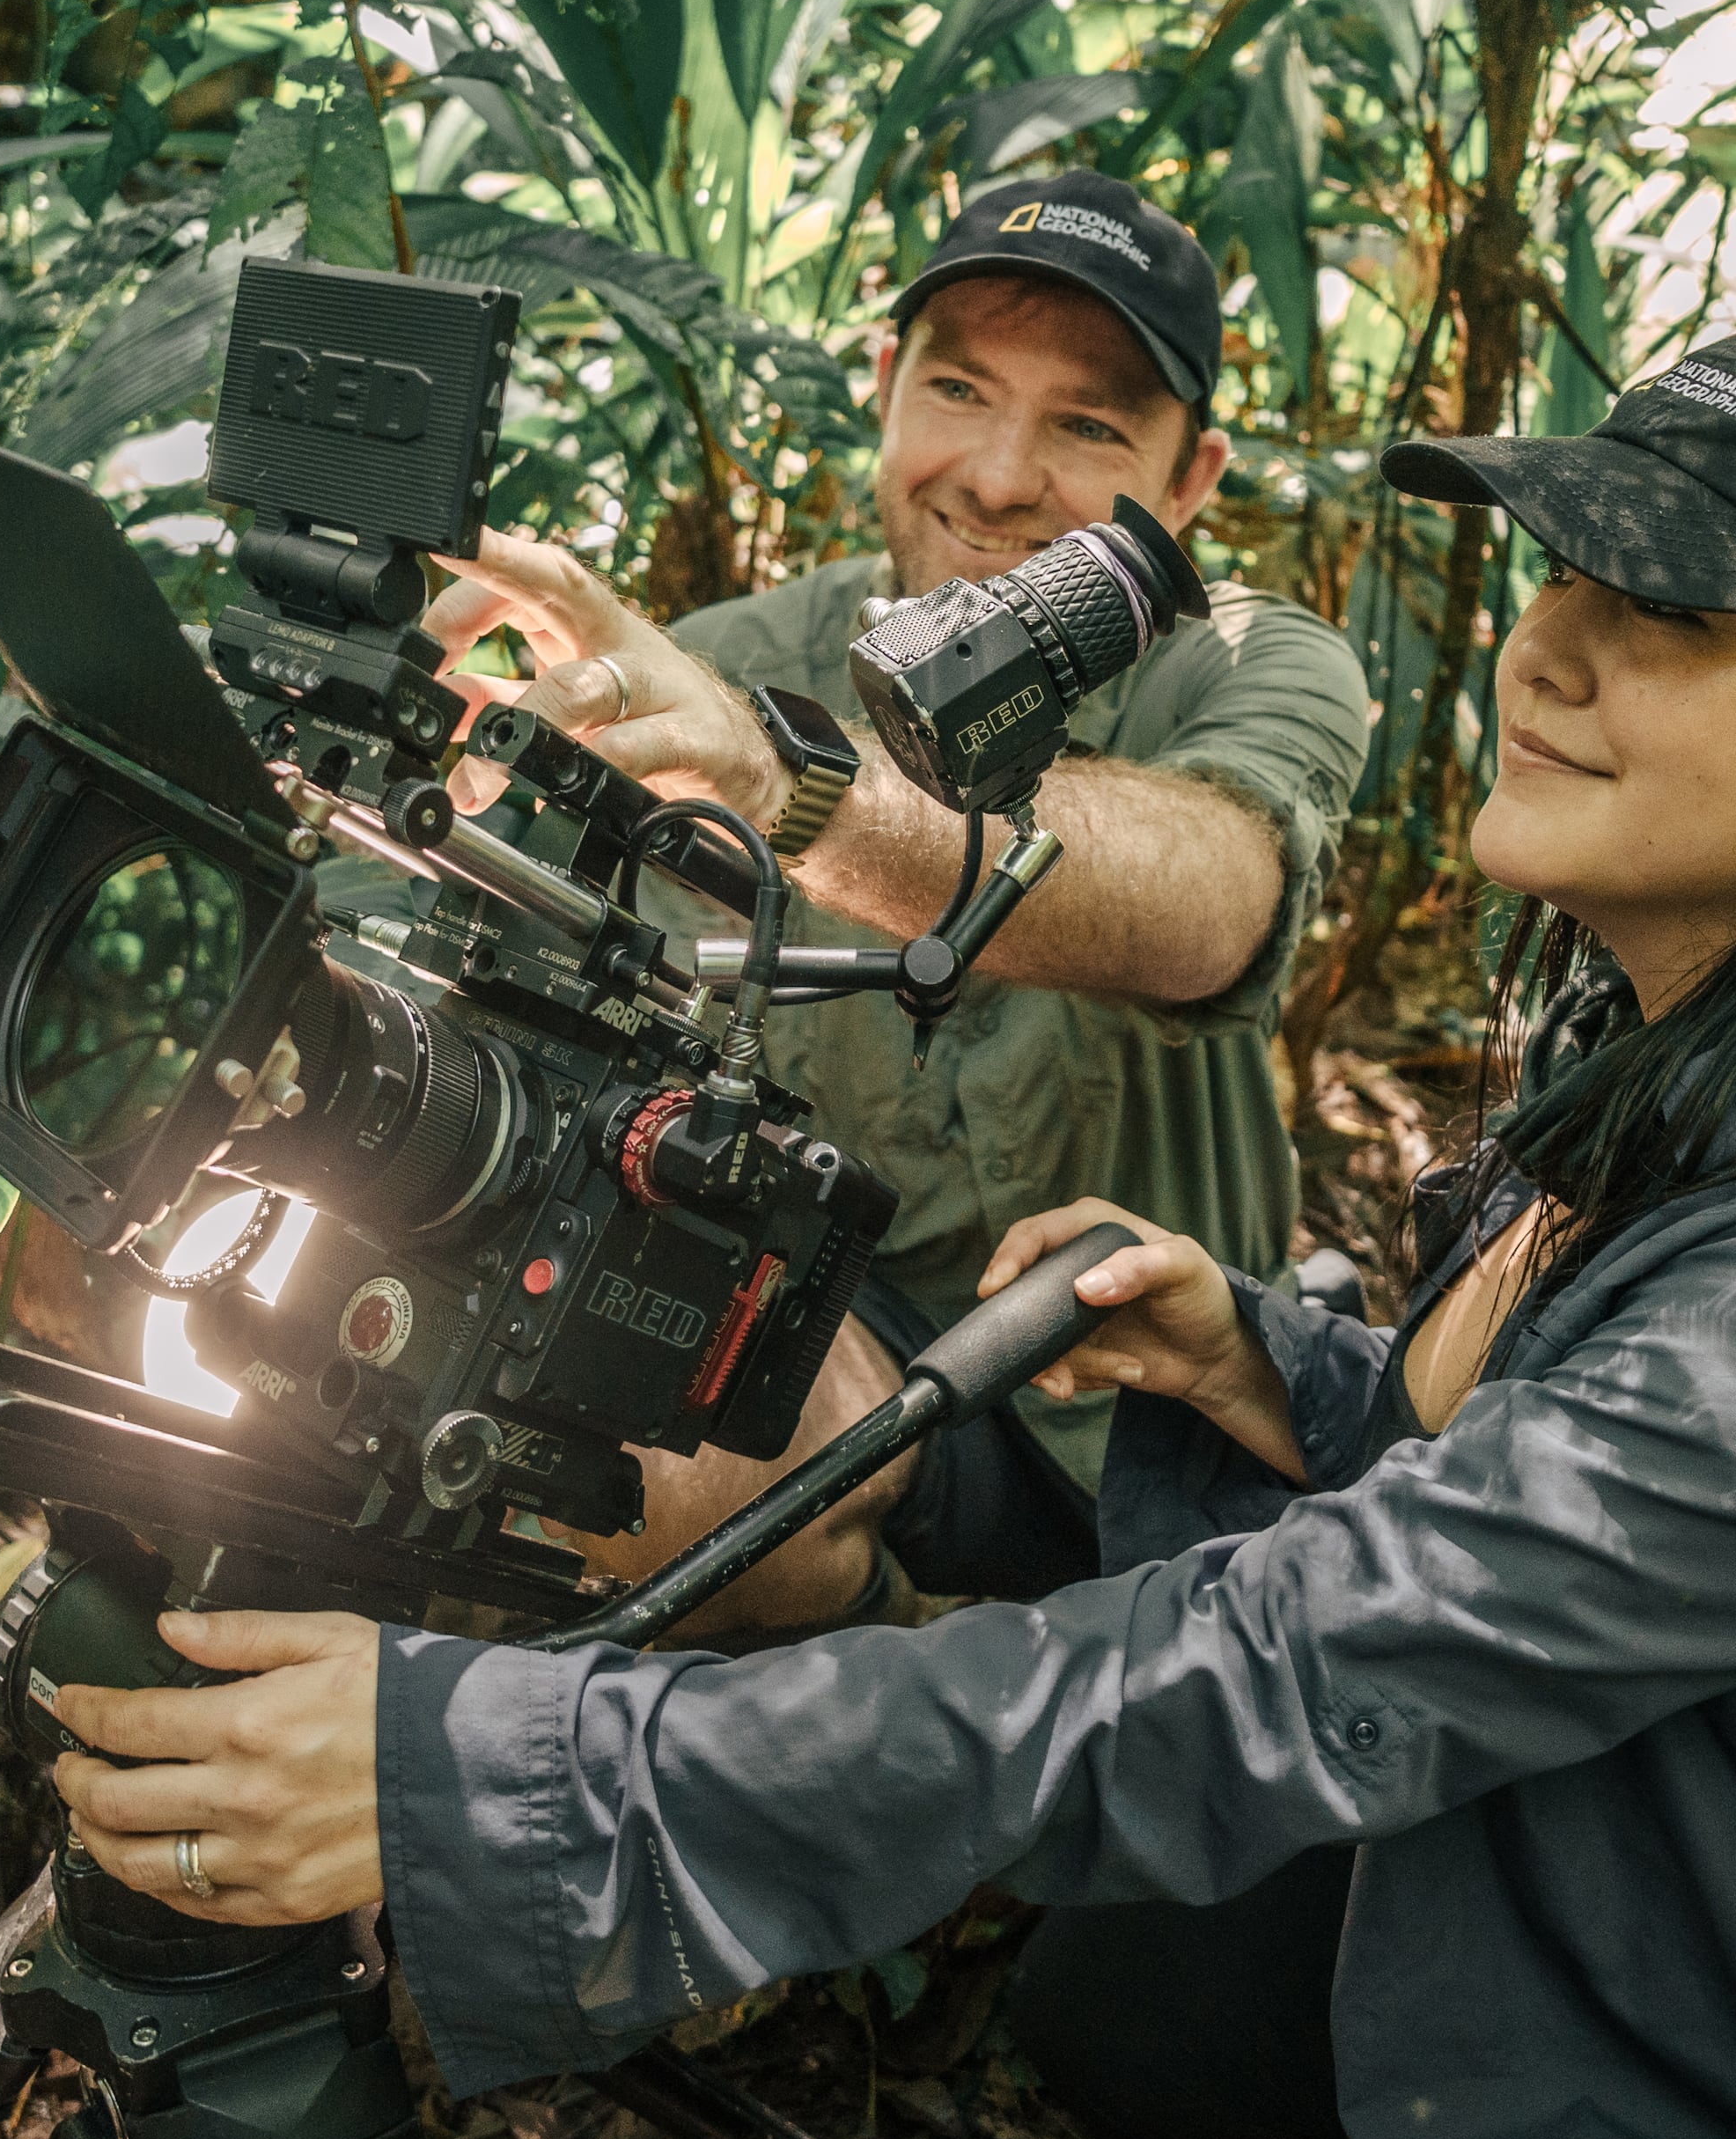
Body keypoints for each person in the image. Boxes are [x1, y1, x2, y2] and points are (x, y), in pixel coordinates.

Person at [40, 323, 1736, 2139]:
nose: (1548, 646)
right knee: (1135, 2007)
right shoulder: (1711, 1040)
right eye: (1562, 572)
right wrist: (1284, 1372)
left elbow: (1303, 1661)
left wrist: (497, 1777)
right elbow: (1584, 1493)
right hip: (1636, 1975)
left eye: (1666, 610)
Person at [415, 172, 1372, 1630]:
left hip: (1154, 1413)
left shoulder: (1243, 661)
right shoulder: (729, 658)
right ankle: (915, 1673)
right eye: (960, 388)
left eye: (1090, 425)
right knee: (621, 1475)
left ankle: (1012, 1711)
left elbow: (1212, 899)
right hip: (820, 1360)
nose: (996, 475)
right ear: (885, 389)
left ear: (1190, 484)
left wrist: (783, 780)